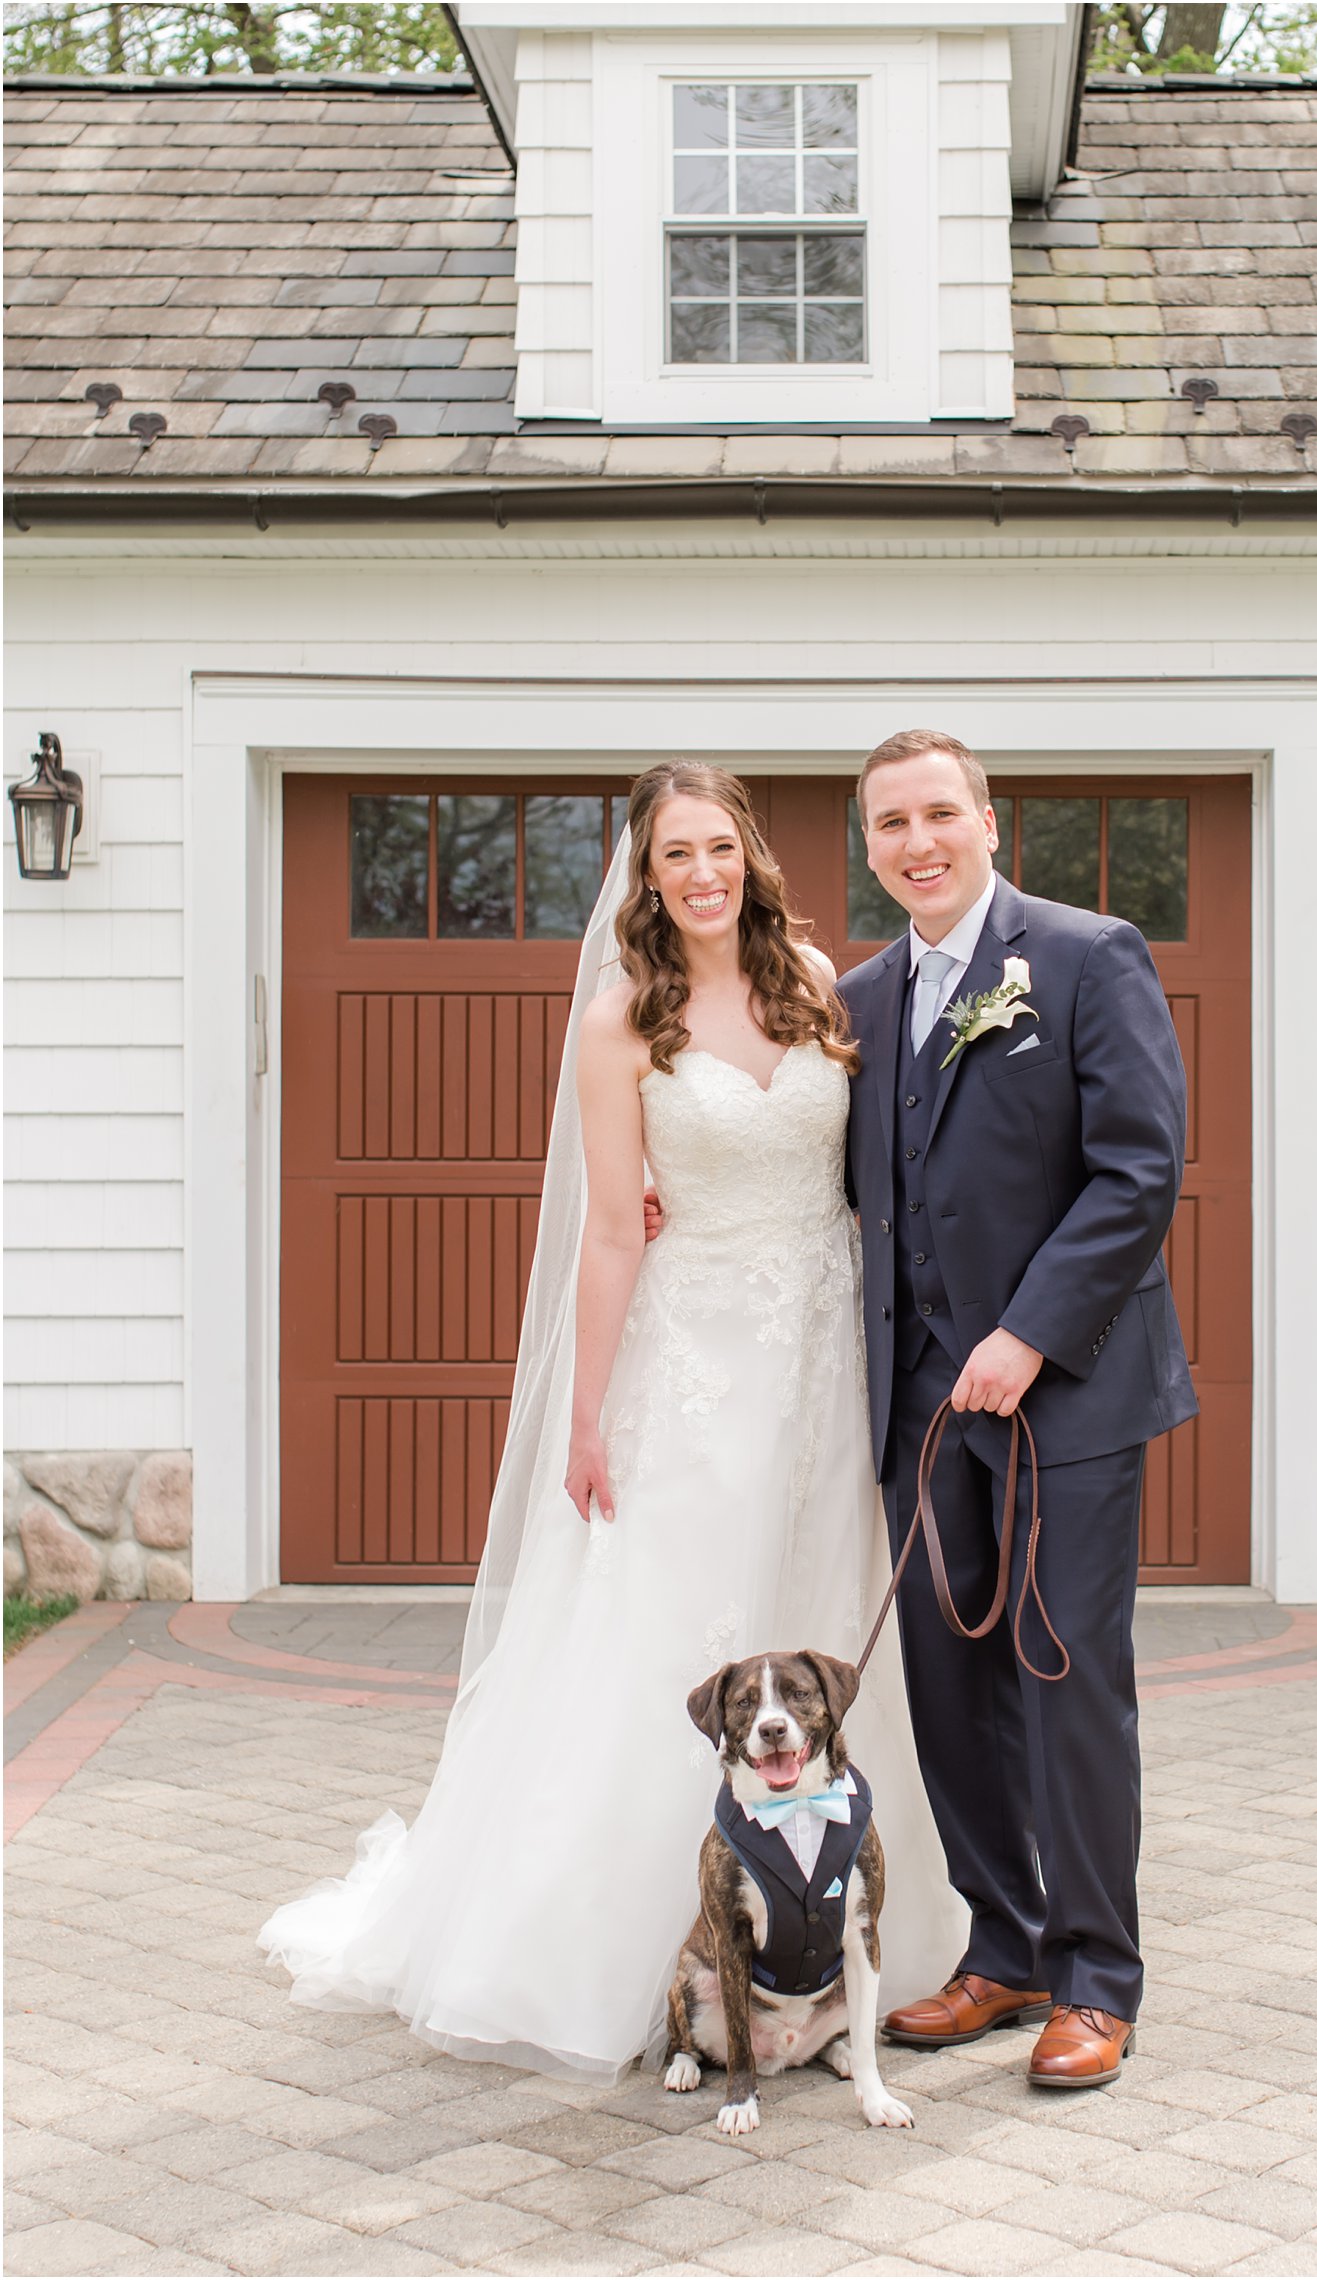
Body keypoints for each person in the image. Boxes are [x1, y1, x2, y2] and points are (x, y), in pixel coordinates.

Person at [258, 761, 963, 2081]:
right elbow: (605, 1231)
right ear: (644, 880)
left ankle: (843, 1938)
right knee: (671, 1624)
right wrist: (587, 1415)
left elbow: (880, 1163)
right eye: (670, 856)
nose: (699, 874)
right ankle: (635, 1953)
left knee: (815, 1607)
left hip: (822, 1357)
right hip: (690, 1363)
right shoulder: (620, 1019)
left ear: (750, 854)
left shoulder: (817, 980)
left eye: (716, 848)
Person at [837, 729, 1196, 2089]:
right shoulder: (866, 999)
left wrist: (1029, 1335)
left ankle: (1100, 1975)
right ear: (868, 847)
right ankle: (1006, 1949)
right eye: (890, 825)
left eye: (940, 815)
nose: (917, 842)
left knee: (1062, 1678)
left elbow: (1138, 1171)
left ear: (991, 825)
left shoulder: (1089, 955)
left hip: (1072, 1398)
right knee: (949, 1683)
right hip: (918, 1407)